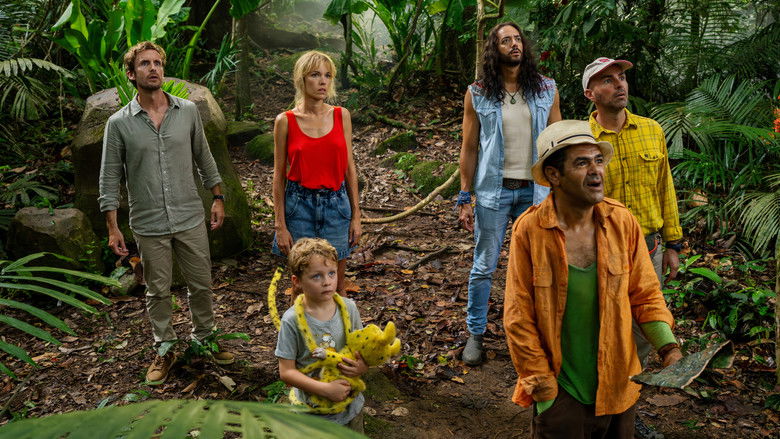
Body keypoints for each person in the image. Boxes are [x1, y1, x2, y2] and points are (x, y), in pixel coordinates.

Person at [503, 120, 683, 439]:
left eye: (598, 160)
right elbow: (518, 317)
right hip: (561, 392)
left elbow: (645, 294)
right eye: (582, 163)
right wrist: (544, 389)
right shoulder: (530, 231)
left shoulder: (622, 222)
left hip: (619, 386)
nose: (596, 171)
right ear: (554, 175)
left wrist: (668, 348)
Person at [98, 41, 233, 385]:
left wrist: (218, 197)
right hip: (149, 221)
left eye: (157, 62)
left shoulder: (187, 111)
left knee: (201, 283)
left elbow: (204, 156)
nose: (153, 68)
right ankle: (165, 349)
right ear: (131, 74)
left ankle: (205, 339)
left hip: (189, 214)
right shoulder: (118, 123)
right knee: (157, 291)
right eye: (145, 64)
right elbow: (109, 178)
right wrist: (113, 227)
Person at [583, 57, 684, 439]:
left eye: (622, 77)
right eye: (607, 80)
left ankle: (625, 411)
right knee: (598, 330)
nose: (619, 85)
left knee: (641, 334)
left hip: (649, 248)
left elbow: (665, 187)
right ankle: (591, 408)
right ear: (591, 94)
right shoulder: (581, 138)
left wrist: (673, 244)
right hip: (598, 251)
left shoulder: (651, 130)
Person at [457, 22, 562, 365]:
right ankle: (475, 334)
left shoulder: (546, 89)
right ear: (494, 49)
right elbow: (469, 147)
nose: (514, 44)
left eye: (517, 39)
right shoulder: (479, 93)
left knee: (537, 266)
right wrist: (464, 196)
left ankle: (535, 334)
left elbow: (557, 143)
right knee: (484, 265)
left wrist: (560, 191)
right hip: (494, 192)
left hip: (536, 193)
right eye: (506, 41)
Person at [271, 51, 361, 294]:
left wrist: (356, 216)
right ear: (302, 79)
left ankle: (342, 322)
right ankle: (299, 323)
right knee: (301, 290)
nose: (323, 81)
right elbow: (278, 176)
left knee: (336, 287)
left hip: (336, 206)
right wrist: (280, 225)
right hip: (299, 207)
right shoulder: (285, 121)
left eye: (327, 75)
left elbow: (349, 168)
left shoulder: (341, 115)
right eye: (315, 75)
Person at [275, 238, 367, 431]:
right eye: (316, 276)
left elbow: (362, 350)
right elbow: (286, 372)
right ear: (297, 282)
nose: (327, 282)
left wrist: (361, 367)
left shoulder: (348, 308)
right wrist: (325, 390)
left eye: (331, 273)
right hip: (311, 414)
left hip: (350, 407)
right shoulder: (292, 320)